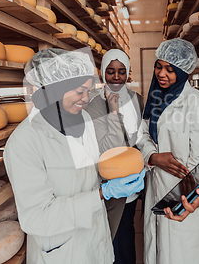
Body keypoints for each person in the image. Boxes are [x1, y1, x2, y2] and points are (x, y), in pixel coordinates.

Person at [3, 48, 146, 264]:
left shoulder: (84, 119)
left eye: (88, 90)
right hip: (63, 253)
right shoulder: (24, 142)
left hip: (97, 244)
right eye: (80, 91)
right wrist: (102, 193)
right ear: (53, 90)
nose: (86, 98)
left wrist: (115, 175)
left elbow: (88, 171)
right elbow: (37, 218)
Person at [136, 38, 199, 264]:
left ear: (184, 71)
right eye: (158, 66)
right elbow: (142, 134)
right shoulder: (154, 98)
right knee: (156, 250)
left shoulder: (197, 104)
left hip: (184, 193)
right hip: (155, 187)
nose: (161, 74)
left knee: (181, 255)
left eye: (170, 70)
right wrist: (153, 157)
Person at [86, 49, 144, 264]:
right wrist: (113, 112)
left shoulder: (136, 99)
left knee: (127, 230)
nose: (116, 77)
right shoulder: (93, 105)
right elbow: (108, 148)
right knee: (113, 236)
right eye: (110, 72)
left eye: (121, 71)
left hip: (134, 181)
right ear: (103, 73)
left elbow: (141, 137)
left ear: (128, 73)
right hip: (111, 183)